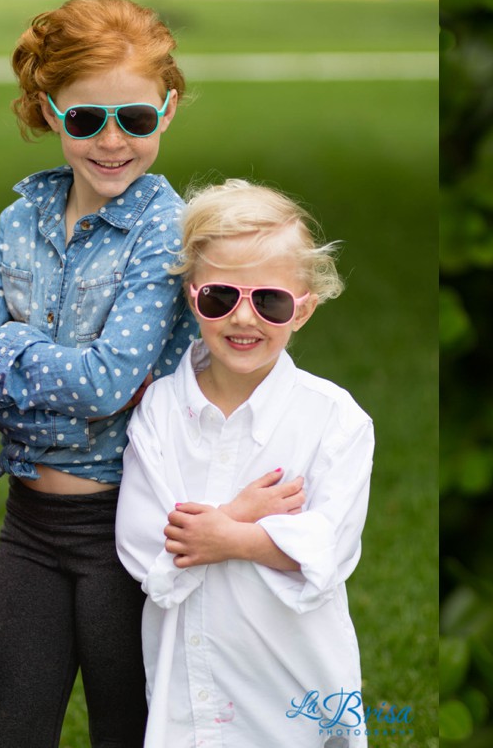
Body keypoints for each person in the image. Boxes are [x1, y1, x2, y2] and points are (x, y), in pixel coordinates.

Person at [0, 0, 211, 748]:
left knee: (125, 725)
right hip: (29, 524)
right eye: (84, 118)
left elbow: (107, 384)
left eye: (133, 119)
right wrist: (8, 353)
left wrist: (11, 344)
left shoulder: (165, 228)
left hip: (126, 525)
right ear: (48, 108)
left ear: (165, 111)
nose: (111, 141)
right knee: (12, 724)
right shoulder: (19, 218)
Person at [115, 179, 375, 748]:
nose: (243, 318)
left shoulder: (336, 420)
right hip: (193, 689)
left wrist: (225, 538)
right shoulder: (160, 409)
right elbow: (142, 546)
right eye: (220, 297)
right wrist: (240, 516)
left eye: (270, 300)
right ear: (192, 297)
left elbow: (327, 550)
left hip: (294, 682)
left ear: (302, 310)